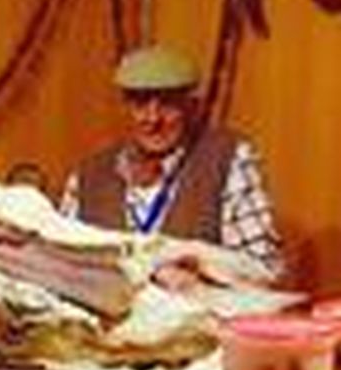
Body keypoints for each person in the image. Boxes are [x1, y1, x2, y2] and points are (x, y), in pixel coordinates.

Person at [60, 44, 285, 278]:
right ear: (124, 107)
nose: (153, 118)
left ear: (190, 106)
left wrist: (198, 265)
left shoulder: (227, 159)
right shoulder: (88, 175)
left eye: (167, 104)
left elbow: (265, 268)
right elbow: (59, 267)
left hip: (200, 311)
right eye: (140, 104)